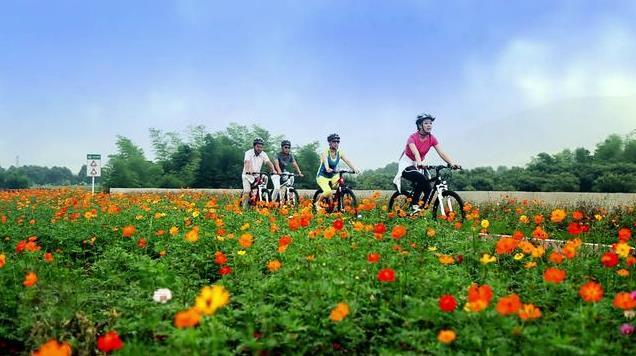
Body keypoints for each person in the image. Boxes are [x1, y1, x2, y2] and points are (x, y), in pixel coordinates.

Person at [393, 114, 460, 212]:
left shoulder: (432, 138)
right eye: (426, 123)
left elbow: (441, 152)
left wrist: (452, 163)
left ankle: (421, 209)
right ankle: (414, 204)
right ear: (420, 125)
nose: (429, 125)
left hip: (419, 164)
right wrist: (419, 163)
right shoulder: (412, 138)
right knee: (422, 179)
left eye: (430, 123)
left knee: (428, 188)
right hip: (407, 164)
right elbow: (415, 152)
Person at [315, 133, 360, 211]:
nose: (336, 143)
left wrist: (354, 169)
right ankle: (317, 203)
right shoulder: (325, 152)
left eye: (337, 142)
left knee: (341, 185)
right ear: (329, 142)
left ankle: (338, 203)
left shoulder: (339, 152)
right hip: (322, 176)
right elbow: (325, 161)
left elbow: (347, 161)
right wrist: (327, 168)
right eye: (334, 142)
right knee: (328, 191)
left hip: (332, 175)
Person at [242, 138, 280, 209]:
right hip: (247, 175)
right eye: (258, 147)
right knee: (247, 191)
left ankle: (262, 196)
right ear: (254, 146)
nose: (260, 148)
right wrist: (247, 170)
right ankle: (244, 209)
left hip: (257, 175)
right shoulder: (248, 153)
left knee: (265, 178)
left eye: (261, 147)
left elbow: (269, 162)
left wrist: (274, 170)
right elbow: (246, 162)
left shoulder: (263, 154)